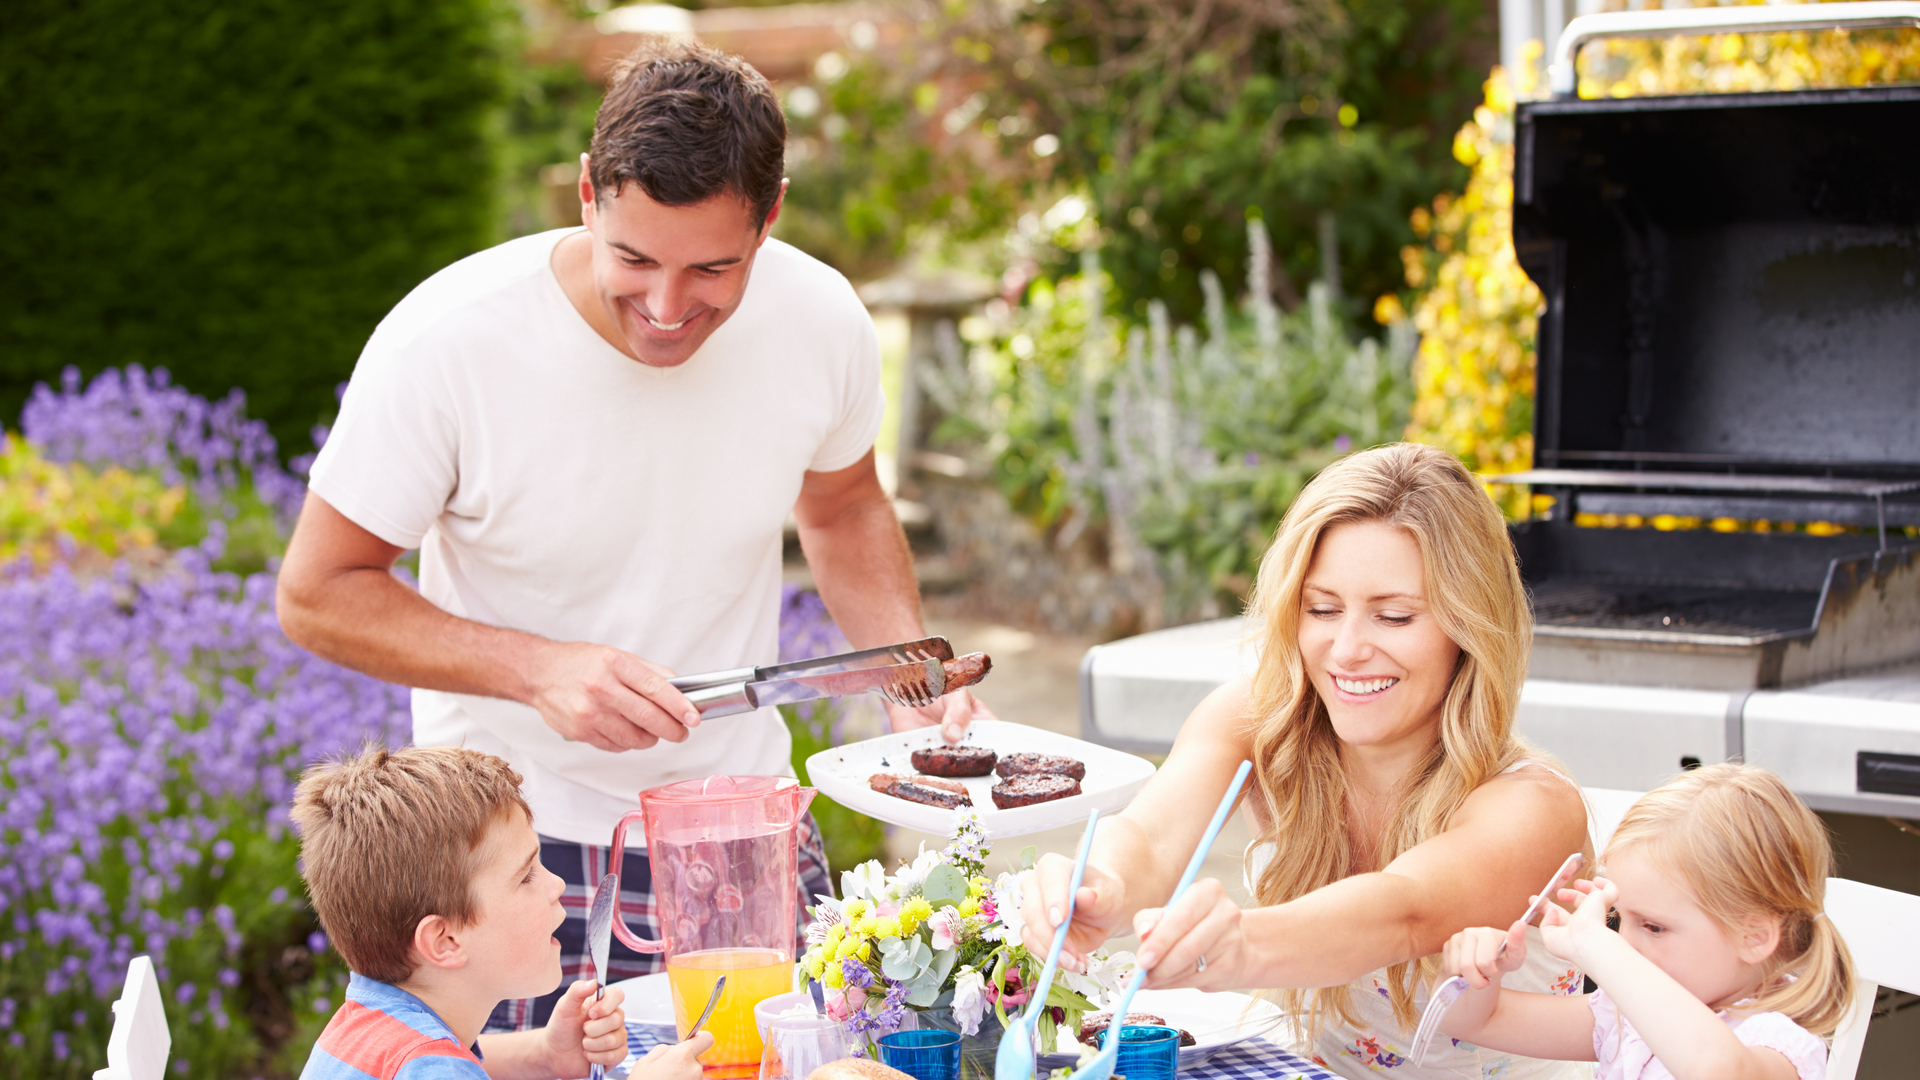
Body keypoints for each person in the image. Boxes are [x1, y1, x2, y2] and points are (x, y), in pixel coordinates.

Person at [276, 39, 992, 1030]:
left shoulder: (820, 320)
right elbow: (316, 592)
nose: (666, 309)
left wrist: (905, 676)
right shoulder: (447, 343)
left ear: (770, 214)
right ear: (585, 195)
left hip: (742, 823)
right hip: (509, 853)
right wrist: (535, 669)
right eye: (635, 258)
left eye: (713, 267)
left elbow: (843, 505)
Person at [1019, 442, 1592, 1080]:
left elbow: (1403, 912)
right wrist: (1096, 888)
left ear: (1470, 627)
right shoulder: (1260, 724)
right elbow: (1151, 836)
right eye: (1321, 609)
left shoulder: (1534, 805)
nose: (1347, 650)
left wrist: (1239, 948)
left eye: (1394, 616)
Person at [289, 744, 711, 1080]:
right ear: (445, 941)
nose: (556, 885)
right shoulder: (432, 1070)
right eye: (526, 875)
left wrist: (545, 1056)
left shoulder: (368, 1027)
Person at [1438, 763, 1854, 1080]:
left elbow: (1715, 1069)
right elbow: (1476, 1023)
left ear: (1755, 937)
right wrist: (1477, 973)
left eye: (1653, 927)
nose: (1626, 943)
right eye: (1620, 920)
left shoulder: (1777, 1045)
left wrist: (1601, 947)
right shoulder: (1622, 1017)